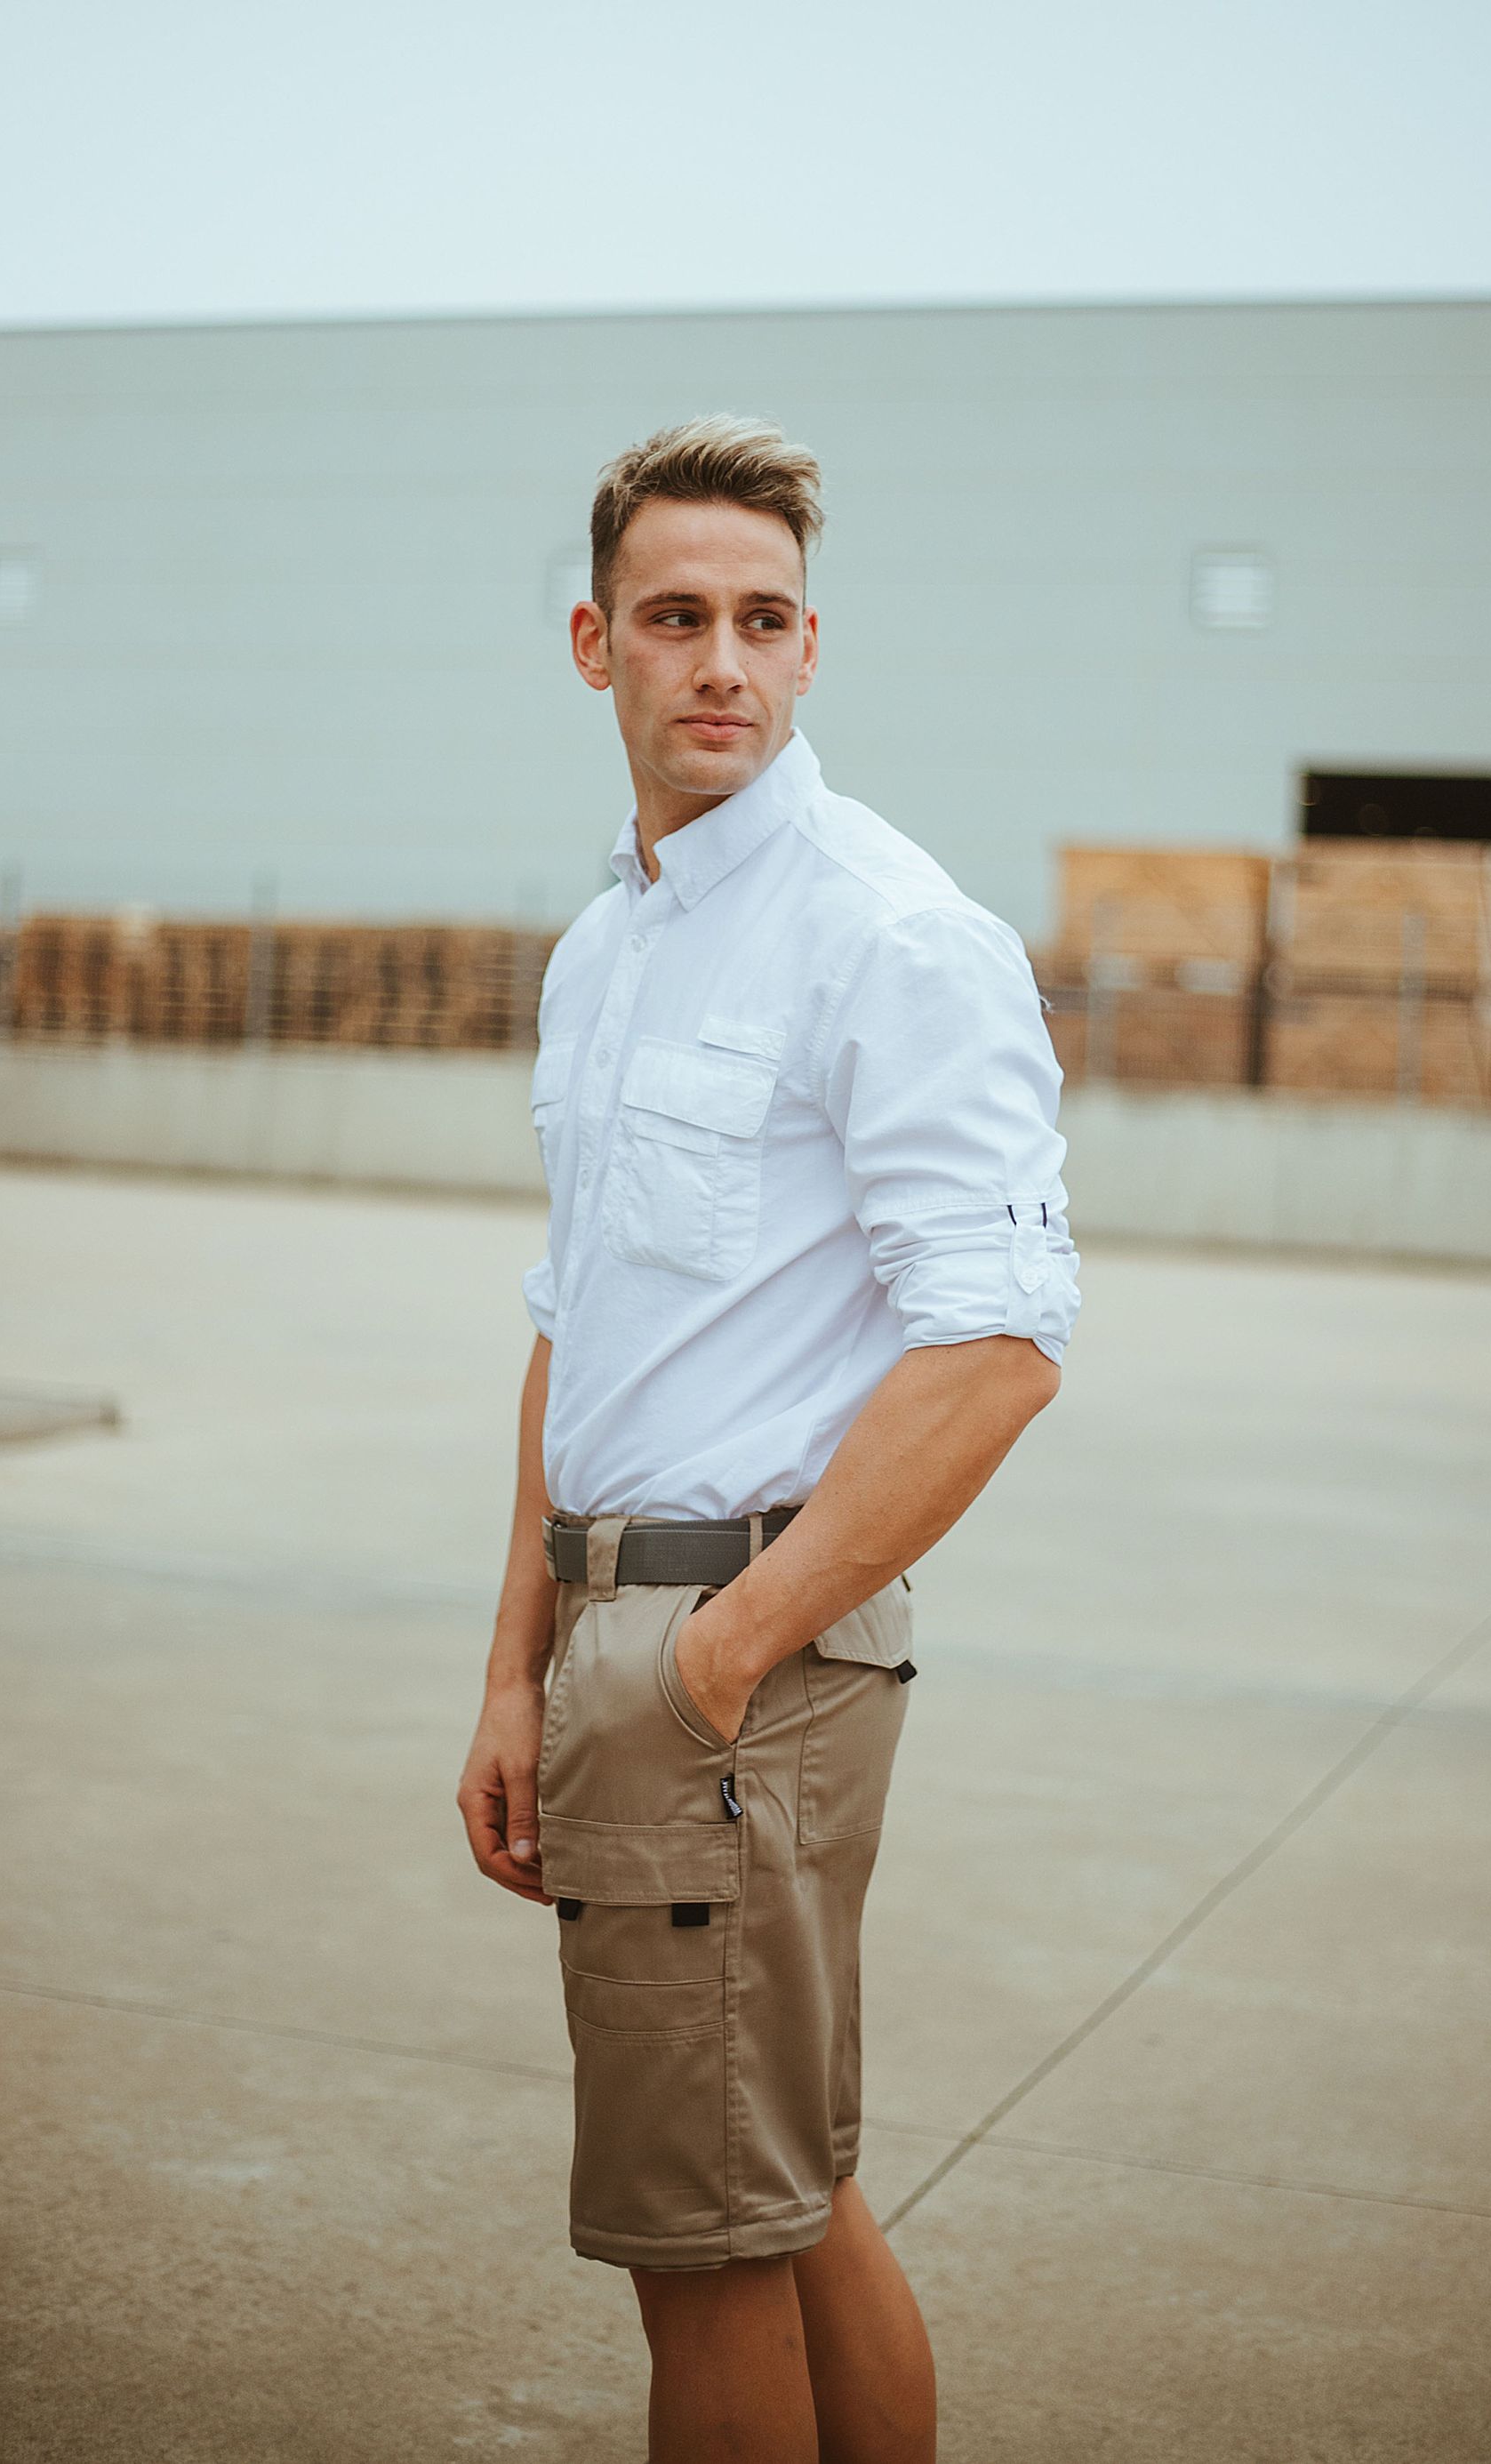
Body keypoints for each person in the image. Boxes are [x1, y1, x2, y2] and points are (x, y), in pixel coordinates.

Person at [458, 415, 1081, 2464]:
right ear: (594, 645)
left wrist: (720, 1657)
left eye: (760, 619)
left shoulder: (888, 933)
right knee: (782, 2203)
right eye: (674, 618)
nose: (718, 659)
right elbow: (582, 1332)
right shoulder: (607, 950)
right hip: (615, 1636)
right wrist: (517, 1662)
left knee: (699, 2254)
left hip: (744, 1657)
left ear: (814, 647)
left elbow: (994, 1345)